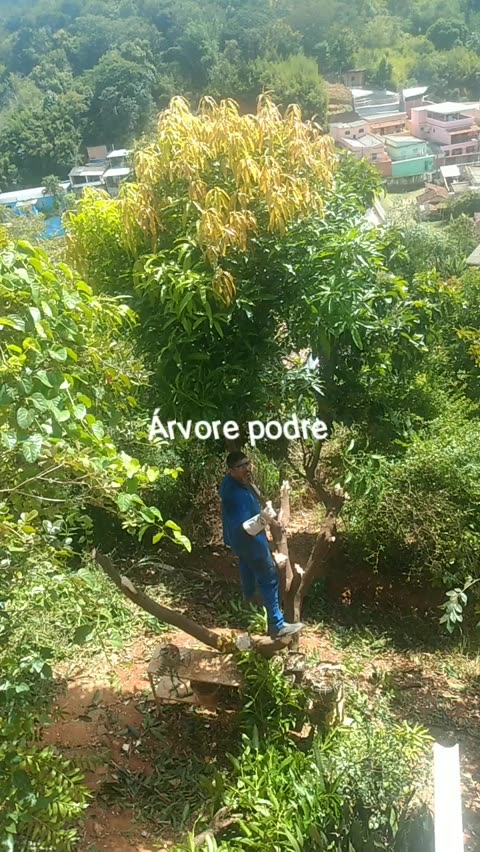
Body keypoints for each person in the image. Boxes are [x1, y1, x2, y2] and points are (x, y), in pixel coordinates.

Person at [219, 450, 305, 639]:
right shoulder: (235, 495)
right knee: (270, 576)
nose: (247, 468)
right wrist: (264, 518)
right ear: (231, 470)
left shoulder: (232, 483)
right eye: (241, 466)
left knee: (247, 567)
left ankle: (249, 605)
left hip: (236, 541)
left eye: (247, 464)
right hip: (250, 542)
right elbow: (247, 528)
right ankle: (277, 625)